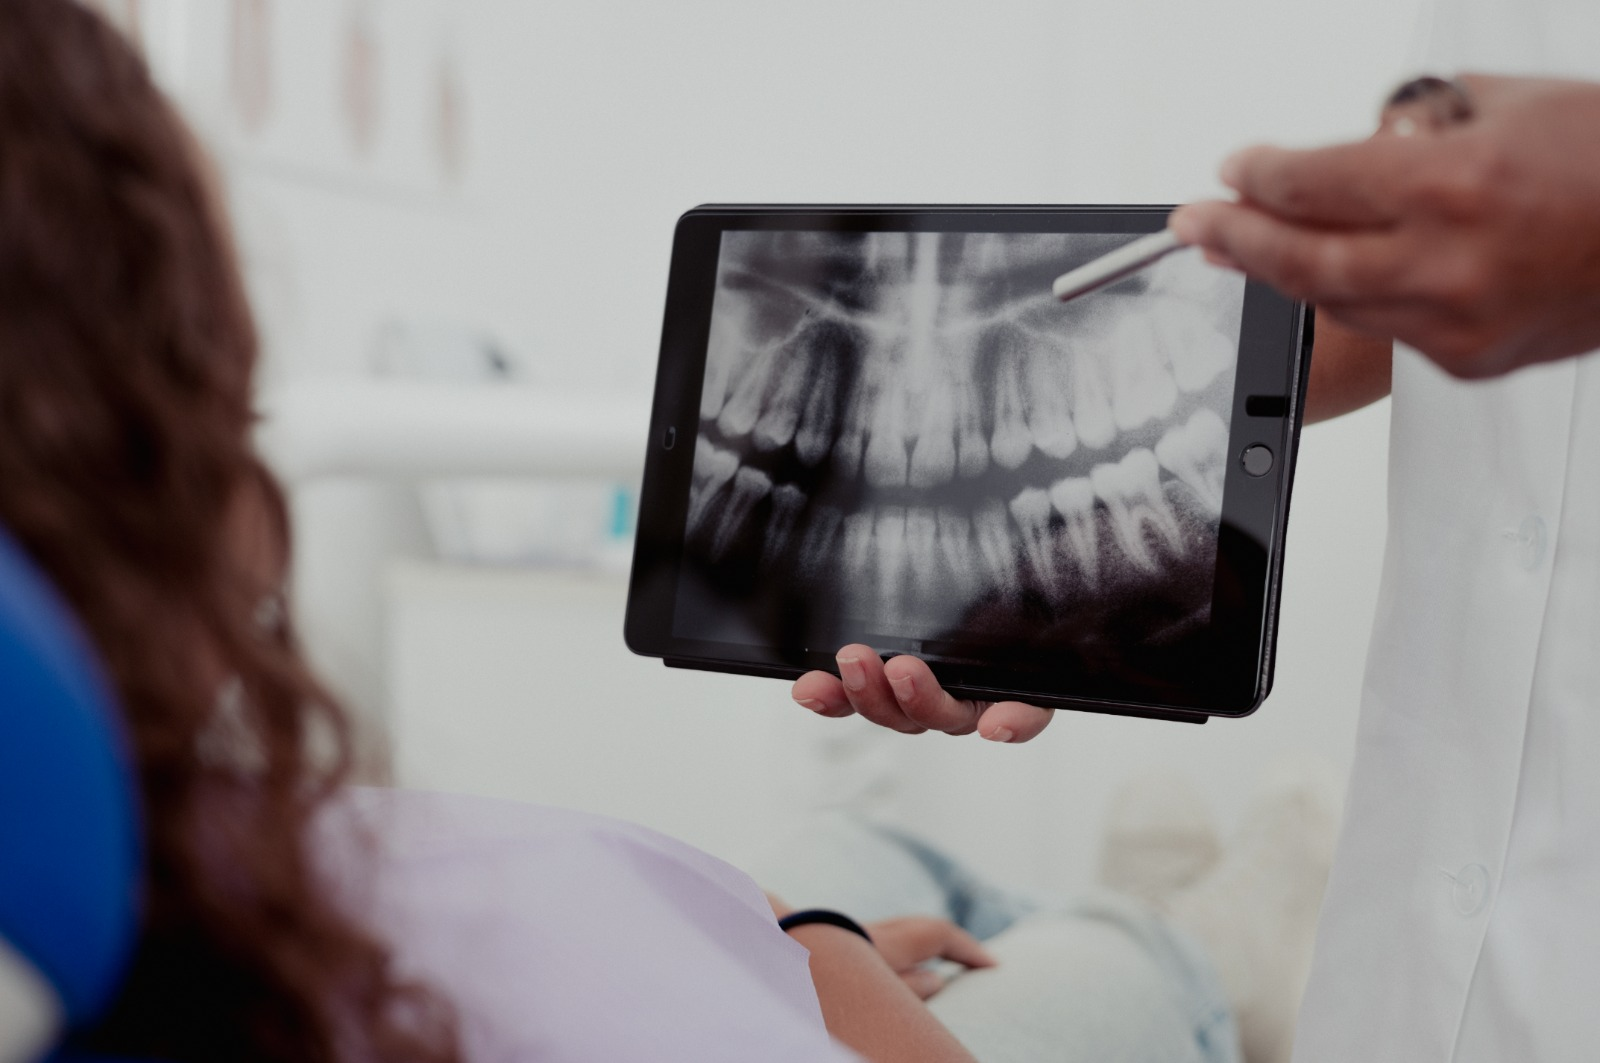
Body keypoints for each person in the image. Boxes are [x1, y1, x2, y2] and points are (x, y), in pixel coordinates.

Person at [1, 2, 1328, 1062]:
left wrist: (783, 925)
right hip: (777, 982)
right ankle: (1199, 939)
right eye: (227, 405)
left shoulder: (150, 845)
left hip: (708, 927)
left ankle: (1067, 900)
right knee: (1088, 963)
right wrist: (829, 959)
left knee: (861, 857)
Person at [794, 2, 1600, 1059]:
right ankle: (1181, 927)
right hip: (1420, 907)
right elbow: (1447, 279)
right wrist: (1063, 520)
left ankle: (1171, 925)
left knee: (867, 881)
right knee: (856, 864)